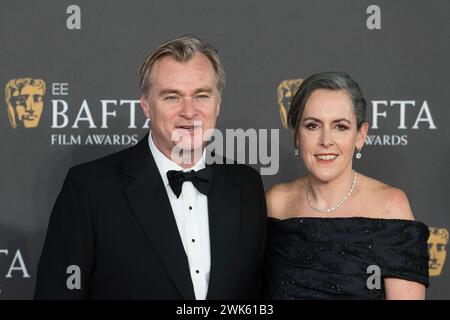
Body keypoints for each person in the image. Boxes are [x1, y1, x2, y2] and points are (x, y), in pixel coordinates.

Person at [34, 36, 267, 299]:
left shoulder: (246, 185)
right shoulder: (90, 188)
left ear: (218, 103)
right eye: (172, 97)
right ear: (145, 105)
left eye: (201, 96)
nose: (189, 112)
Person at [264, 72, 429, 300]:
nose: (326, 140)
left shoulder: (391, 207)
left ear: (360, 136)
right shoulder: (276, 203)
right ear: (296, 135)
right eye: (312, 125)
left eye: (340, 127)